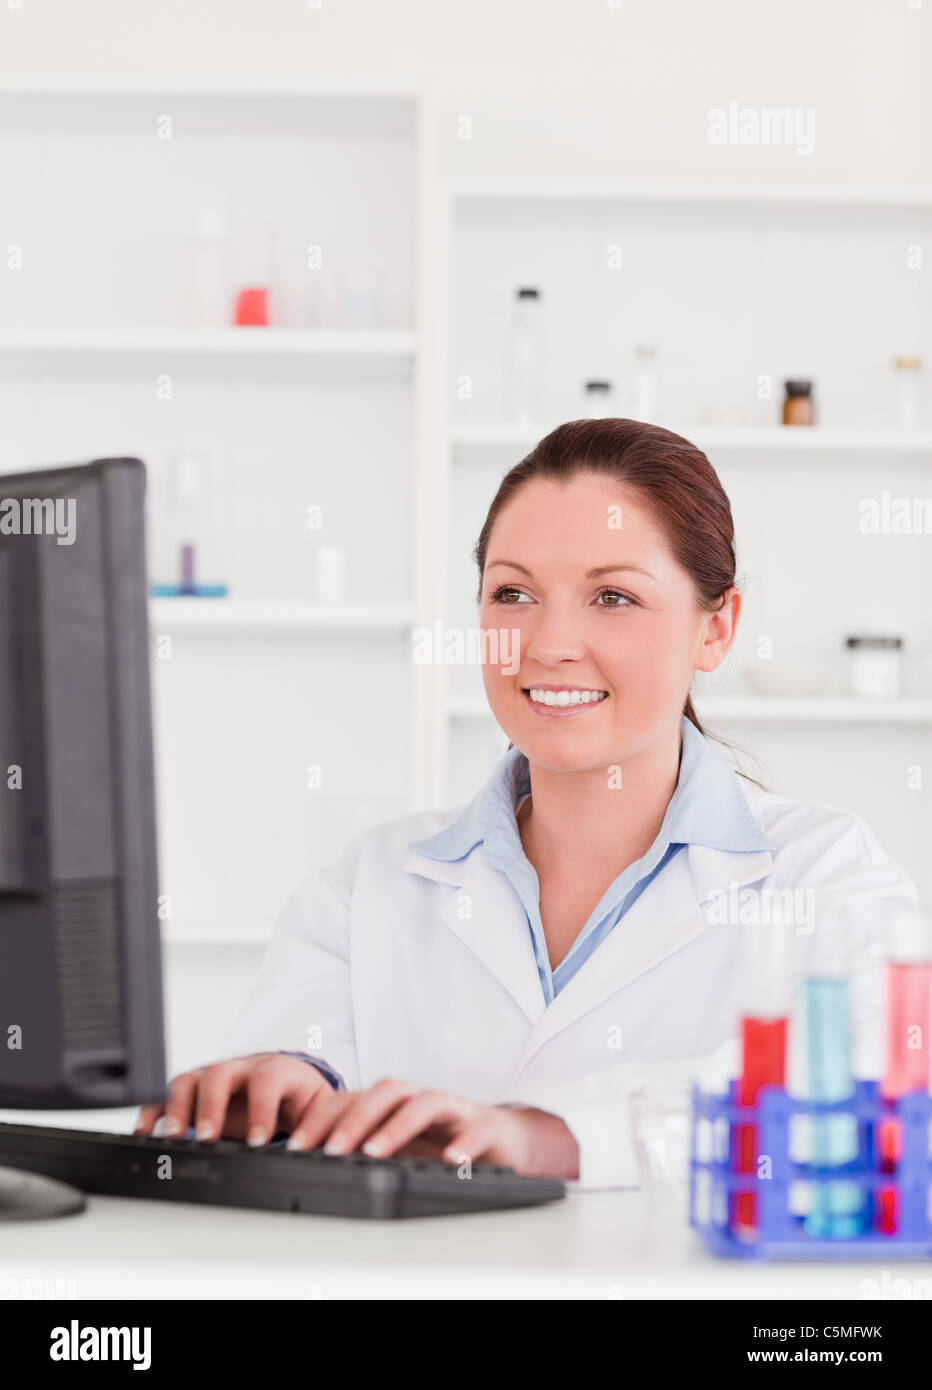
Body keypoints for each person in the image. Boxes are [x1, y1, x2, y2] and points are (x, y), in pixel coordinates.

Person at [135, 419, 917, 1188]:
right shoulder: (368, 884)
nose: (549, 644)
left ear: (716, 630)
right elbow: (302, 1053)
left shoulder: (826, 875)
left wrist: (549, 1137)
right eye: (513, 593)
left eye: (612, 596)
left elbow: (869, 1101)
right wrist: (287, 1087)